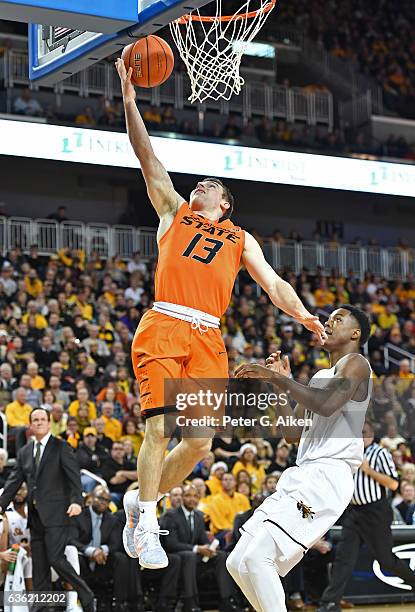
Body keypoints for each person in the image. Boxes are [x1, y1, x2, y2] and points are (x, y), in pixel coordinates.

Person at [115, 57, 326, 570]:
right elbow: (147, 158)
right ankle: (146, 523)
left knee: (200, 443)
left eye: (211, 185)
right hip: (165, 323)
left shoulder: (240, 237)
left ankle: (136, 503)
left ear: (225, 204)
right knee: (160, 431)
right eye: (199, 183)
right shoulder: (173, 212)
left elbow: (273, 284)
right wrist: (129, 101)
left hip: (209, 338)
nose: (201, 185)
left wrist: (304, 317)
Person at [227, 305, 372, 612]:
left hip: (328, 477)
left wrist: (278, 380)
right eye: (329, 319)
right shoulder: (320, 376)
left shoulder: (356, 363)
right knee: (238, 561)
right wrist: (278, 383)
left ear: (355, 333)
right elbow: (292, 434)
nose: (329, 323)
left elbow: (328, 403)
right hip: (305, 473)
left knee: (257, 558)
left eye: (338, 319)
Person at [0, 407, 95, 612]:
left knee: (55, 558)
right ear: (30, 424)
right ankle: (42, 606)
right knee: (40, 564)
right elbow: (14, 482)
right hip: (35, 517)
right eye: (36, 419)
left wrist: (77, 501)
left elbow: (74, 478)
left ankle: (86, 595)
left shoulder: (61, 446)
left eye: (43, 419)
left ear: (49, 422)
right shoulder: (25, 451)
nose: (40, 422)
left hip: (58, 515)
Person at [317, 421, 415, 611]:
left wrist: (369, 470)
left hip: (375, 511)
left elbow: (394, 485)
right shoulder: (348, 454)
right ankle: (330, 602)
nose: (362, 436)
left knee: (386, 559)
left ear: (372, 434)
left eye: (366, 432)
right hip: (353, 512)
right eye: (359, 432)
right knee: (344, 558)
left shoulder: (380, 453)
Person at [160, 484, 240, 612]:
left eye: (195, 496)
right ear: (182, 498)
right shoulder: (171, 515)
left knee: (221, 556)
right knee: (190, 556)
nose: (192, 499)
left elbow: (203, 540)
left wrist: (210, 548)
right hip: (176, 556)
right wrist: (197, 549)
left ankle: (227, 600)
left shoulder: (198, 516)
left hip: (193, 556)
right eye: (188, 496)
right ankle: (190, 601)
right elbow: (171, 544)